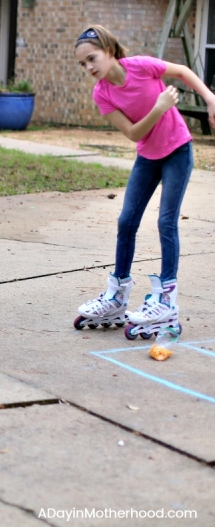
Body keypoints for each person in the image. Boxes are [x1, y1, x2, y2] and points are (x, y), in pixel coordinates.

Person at [72, 25, 215, 339]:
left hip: (178, 150)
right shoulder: (102, 94)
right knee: (126, 221)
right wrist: (159, 107)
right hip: (147, 157)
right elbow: (134, 133)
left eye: (92, 58)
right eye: (83, 64)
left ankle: (166, 300)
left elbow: (182, 71)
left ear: (109, 50)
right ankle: (117, 295)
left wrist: (209, 97)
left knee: (166, 221)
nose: (89, 68)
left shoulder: (140, 66)